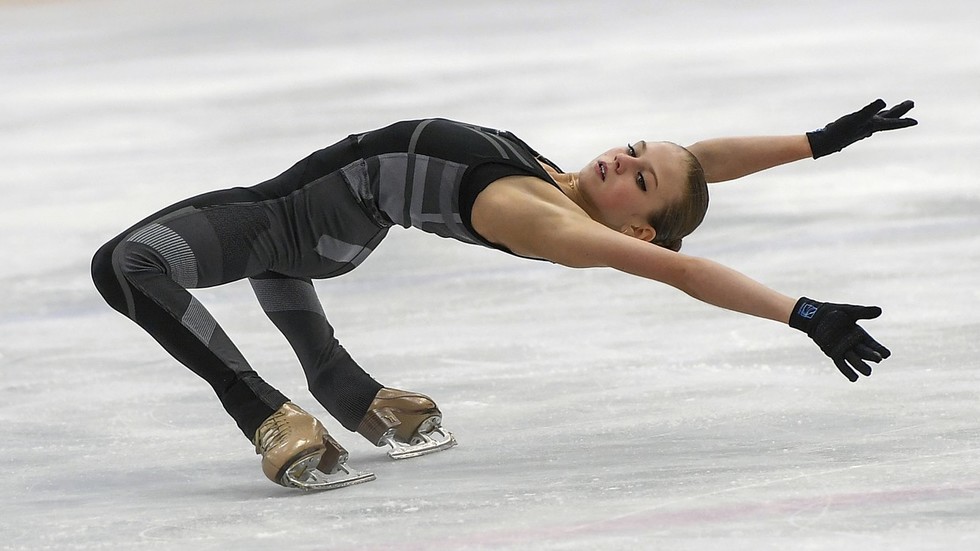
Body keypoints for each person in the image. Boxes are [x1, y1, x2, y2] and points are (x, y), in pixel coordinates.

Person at [91, 98, 916, 490]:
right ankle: (361, 398)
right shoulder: (565, 186)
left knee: (126, 263)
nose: (620, 161)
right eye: (632, 148)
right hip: (325, 230)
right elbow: (700, 158)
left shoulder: (549, 221)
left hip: (291, 220)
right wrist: (819, 140)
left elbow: (684, 268)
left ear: (636, 231)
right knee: (273, 260)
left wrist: (802, 313)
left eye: (638, 178)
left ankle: (267, 413)